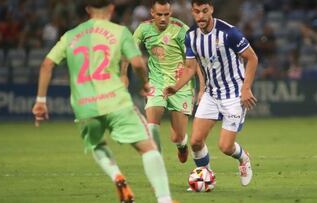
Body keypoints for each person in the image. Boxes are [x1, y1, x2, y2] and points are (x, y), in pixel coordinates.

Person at [31, 1, 176, 203]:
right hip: (115, 101)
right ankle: (164, 200)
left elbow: (47, 65)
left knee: (97, 144)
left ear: (88, 9)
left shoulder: (70, 36)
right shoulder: (119, 31)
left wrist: (40, 101)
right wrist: (145, 83)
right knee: (149, 148)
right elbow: (137, 62)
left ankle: (117, 176)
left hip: (84, 106)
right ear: (111, 9)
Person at [164, 0, 258, 187]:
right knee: (196, 142)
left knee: (225, 147)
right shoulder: (191, 36)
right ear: (192, 12)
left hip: (233, 95)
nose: (200, 16)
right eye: (197, 12)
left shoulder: (229, 33)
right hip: (211, 94)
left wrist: (246, 88)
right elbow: (190, 68)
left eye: (204, 11)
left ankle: (244, 158)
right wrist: (176, 87)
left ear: (211, 10)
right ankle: (206, 178)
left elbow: (252, 58)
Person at [122, 0, 202, 163]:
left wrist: (202, 86)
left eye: (166, 14)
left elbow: (194, 62)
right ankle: (157, 166)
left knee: (177, 136)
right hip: (156, 83)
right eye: (159, 14)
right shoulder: (144, 29)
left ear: (171, 13)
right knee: (152, 125)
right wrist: (123, 74)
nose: (163, 18)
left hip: (181, 85)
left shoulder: (181, 30)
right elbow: (128, 51)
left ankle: (181, 145)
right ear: (152, 13)